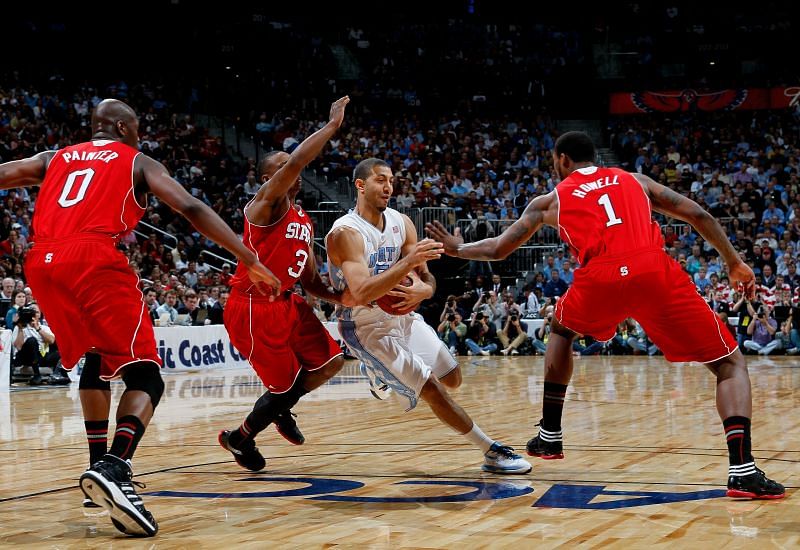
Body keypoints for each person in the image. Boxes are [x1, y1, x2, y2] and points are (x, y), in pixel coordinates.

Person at [426, 131, 784, 498]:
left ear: (562, 159)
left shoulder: (550, 201)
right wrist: (734, 262)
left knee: (561, 330)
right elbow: (697, 214)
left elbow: (500, 249)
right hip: (652, 272)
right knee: (729, 364)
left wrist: (458, 248)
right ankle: (742, 470)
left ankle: (550, 434)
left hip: (601, 277)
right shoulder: (636, 181)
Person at [0, 99, 280, 537]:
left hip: (40, 262)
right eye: (135, 129)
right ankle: (116, 467)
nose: (138, 135)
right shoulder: (137, 161)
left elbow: (3, 173)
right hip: (93, 257)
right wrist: (248, 257)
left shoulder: (54, 157)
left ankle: (97, 467)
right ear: (121, 128)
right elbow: (190, 207)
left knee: (98, 357)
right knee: (147, 376)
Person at [326, 158, 531, 474]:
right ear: (360, 185)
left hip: (403, 317)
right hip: (365, 324)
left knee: (453, 378)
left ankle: (380, 375)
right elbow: (363, 292)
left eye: (391, 180)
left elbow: (428, 281)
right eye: (380, 180)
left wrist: (424, 291)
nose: (388, 186)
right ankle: (492, 452)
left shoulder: (402, 222)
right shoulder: (346, 233)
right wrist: (407, 267)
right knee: (432, 387)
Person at [218, 97, 356, 472]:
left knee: (331, 363)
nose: (292, 170)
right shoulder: (263, 205)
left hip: (289, 303)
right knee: (284, 387)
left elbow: (310, 279)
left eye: (289, 165)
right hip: (253, 306)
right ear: (268, 179)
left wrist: (345, 296)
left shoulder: (303, 218)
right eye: (282, 168)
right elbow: (297, 161)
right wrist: (330, 127)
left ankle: (277, 410)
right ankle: (240, 437)